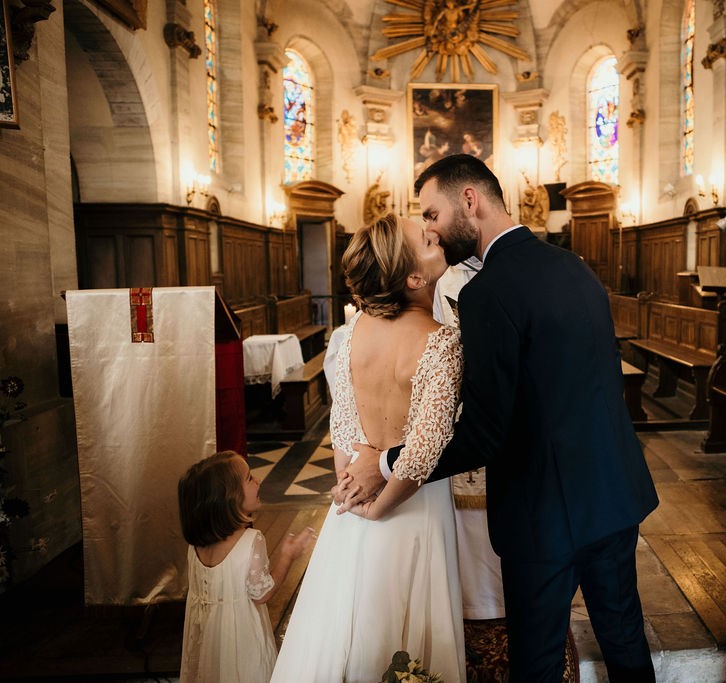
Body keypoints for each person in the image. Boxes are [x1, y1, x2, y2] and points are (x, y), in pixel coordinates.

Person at [339, 154, 659, 682]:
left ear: (470, 200)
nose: (433, 230)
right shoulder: (575, 268)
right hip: (612, 494)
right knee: (625, 641)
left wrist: (390, 460)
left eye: (433, 214)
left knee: (534, 660)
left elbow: (484, 434)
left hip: (542, 514)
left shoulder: (487, 293)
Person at [271, 213, 465, 682]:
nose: (434, 232)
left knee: (350, 626)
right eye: (425, 236)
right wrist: (381, 509)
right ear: (415, 277)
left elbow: (343, 429)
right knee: (408, 632)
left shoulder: (351, 332)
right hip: (413, 507)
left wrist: (354, 492)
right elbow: (423, 452)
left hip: (354, 509)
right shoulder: (442, 342)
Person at [177, 450, 314, 683]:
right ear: (229, 497)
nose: (258, 481)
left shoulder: (195, 545)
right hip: (240, 641)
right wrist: (287, 557)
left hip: (207, 641)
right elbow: (262, 593)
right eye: (249, 478)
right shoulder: (251, 540)